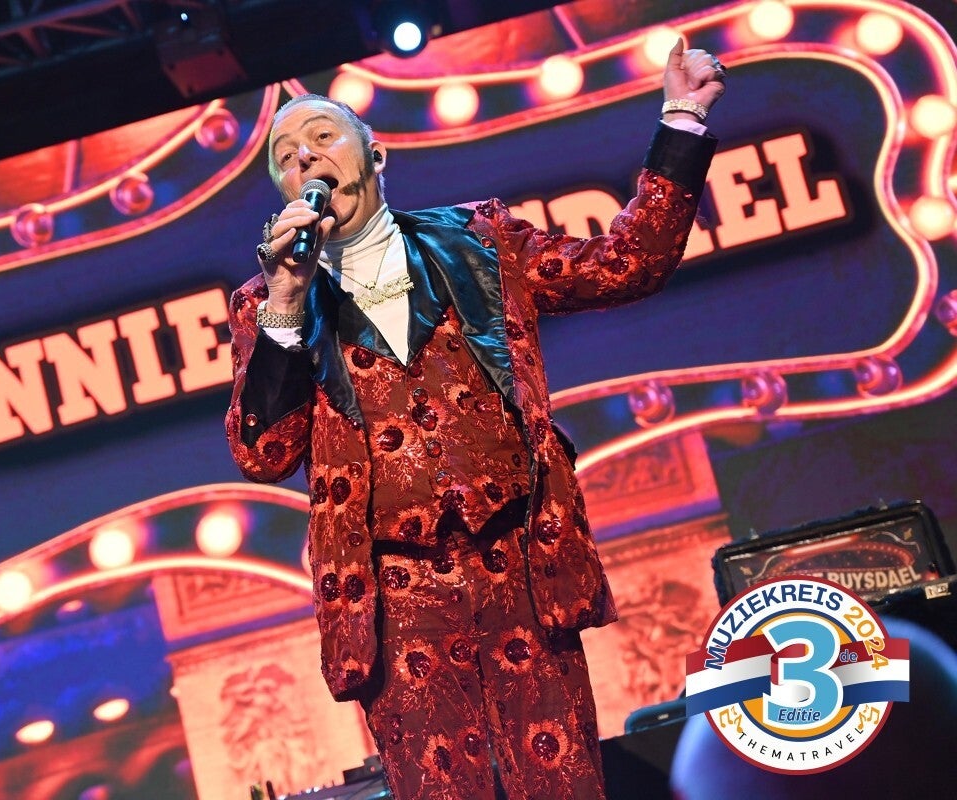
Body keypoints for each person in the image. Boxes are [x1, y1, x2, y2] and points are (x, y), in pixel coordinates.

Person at [225, 40, 725, 800]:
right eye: (285, 156)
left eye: (323, 135)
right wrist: (287, 301)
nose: (305, 158)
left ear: (374, 154)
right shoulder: (270, 306)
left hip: (519, 561)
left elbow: (628, 263)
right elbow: (263, 454)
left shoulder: (480, 241)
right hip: (397, 599)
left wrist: (682, 120)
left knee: (562, 786)